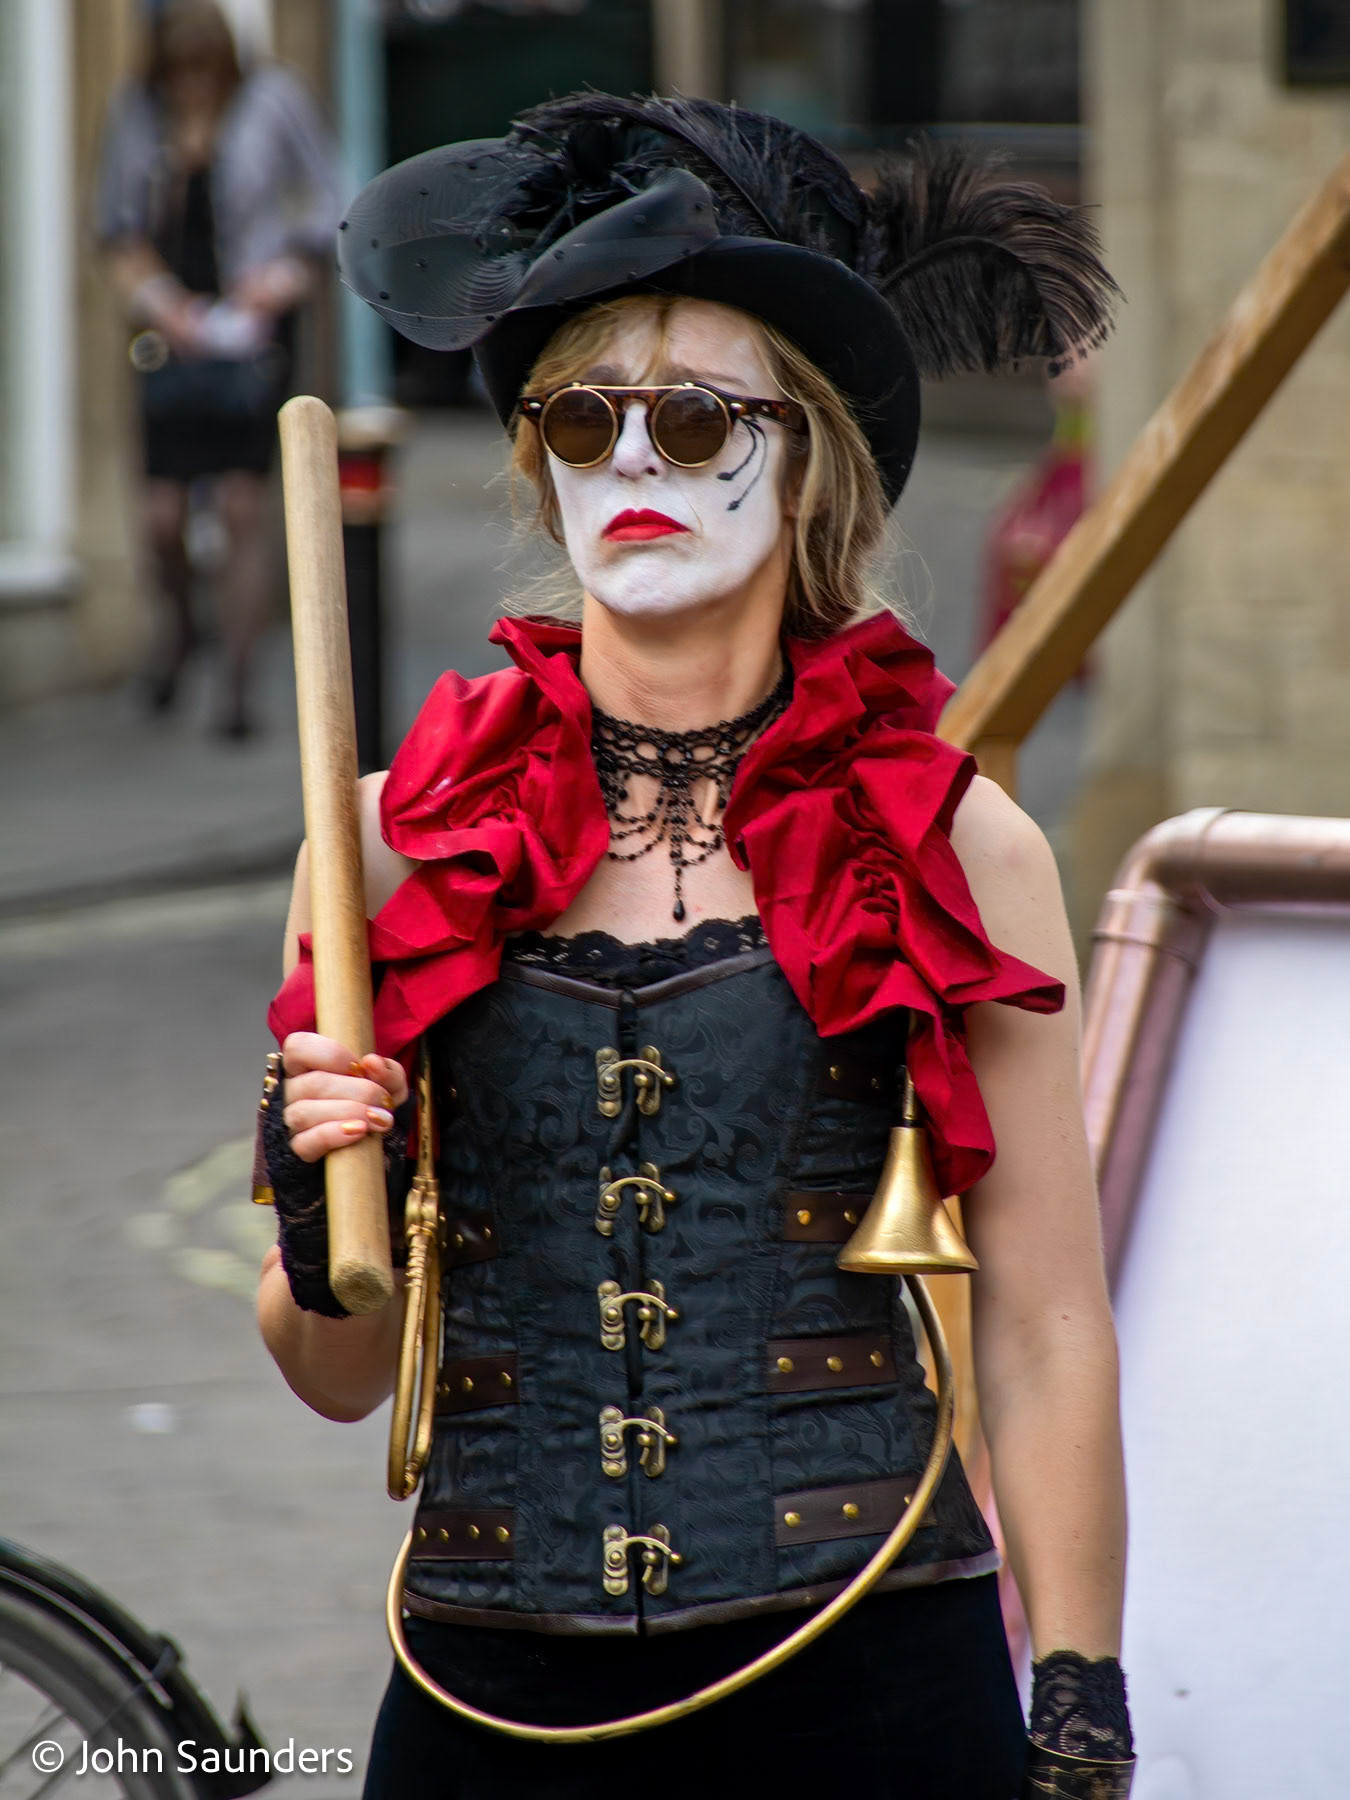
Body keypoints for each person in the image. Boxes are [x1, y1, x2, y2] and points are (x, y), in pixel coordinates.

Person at [256, 95, 1133, 1799]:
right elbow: (338, 1379)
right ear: (540, 468)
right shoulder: (380, 840)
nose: (634, 461)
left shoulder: (956, 845)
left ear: (801, 455)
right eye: (583, 421)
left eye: (690, 415)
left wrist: (1082, 1698)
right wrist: (314, 1200)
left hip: (873, 1687)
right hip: (492, 1706)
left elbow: (1044, 1326)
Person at [95, 0, 340, 737]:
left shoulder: (274, 99)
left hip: (253, 333)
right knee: (162, 515)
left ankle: (236, 688)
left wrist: (284, 276)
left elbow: (333, 200)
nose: (193, 89)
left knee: (240, 505)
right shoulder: (135, 114)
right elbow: (111, 226)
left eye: (205, 73)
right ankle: (178, 631)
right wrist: (160, 301)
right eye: (181, 75)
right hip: (168, 336)